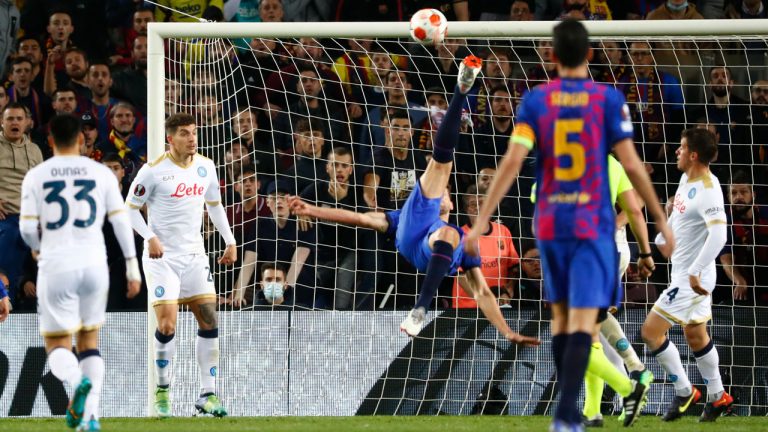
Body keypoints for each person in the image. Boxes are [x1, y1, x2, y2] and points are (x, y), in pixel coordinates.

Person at [465, 20, 673, 431]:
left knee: (562, 319)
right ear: (591, 54)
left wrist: (480, 222)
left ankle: (571, 415)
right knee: (584, 323)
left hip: (552, 224)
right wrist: (661, 219)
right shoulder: (609, 100)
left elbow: (512, 161)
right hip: (593, 229)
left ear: (553, 56)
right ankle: (574, 413)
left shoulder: (536, 101)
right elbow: (631, 164)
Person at [289, 55, 540, 347]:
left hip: (430, 249)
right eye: (444, 192)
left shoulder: (464, 242)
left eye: (448, 194)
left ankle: (420, 309)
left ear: (453, 205)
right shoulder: (405, 213)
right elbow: (358, 217)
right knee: (440, 165)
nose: (445, 193)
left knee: (450, 230)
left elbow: (483, 294)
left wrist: (509, 333)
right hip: (412, 231)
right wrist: (312, 209)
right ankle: (461, 89)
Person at [19, 113, 142, 431]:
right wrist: (132, 267)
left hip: (56, 265)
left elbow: (26, 227)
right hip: (93, 265)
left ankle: (76, 381)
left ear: (49, 140)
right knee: (90, 343)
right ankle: (90, 418)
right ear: (81, 140)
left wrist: (35, 246)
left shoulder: (37, 175)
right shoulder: (100, 173)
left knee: (58, 345)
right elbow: (120, 220)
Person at [126, 112, 237, 418]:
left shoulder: (206, 167)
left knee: (209, 321)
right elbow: (130, 208)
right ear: (170, 138)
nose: (192, 139)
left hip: (194, 257)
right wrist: (149, 237)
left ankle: (208, 395)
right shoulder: (153, 171)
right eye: (185, 134)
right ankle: (162, 391)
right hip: (162, 259)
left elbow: (214, 205)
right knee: (167, 325)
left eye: (194, 133)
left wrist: (230, 241)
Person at [641, 128, 734, 422]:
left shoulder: (708, 189)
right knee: (695, 334)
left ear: (693, 155)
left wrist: (694, 271)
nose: (676, 152)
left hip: (692, 279)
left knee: (650, 332)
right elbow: (679, 221)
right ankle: (718, 397)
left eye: (681, 148)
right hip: (684, 272)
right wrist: (660, 243)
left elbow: (719, 234)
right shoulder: (685, 179)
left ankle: (684, 392)